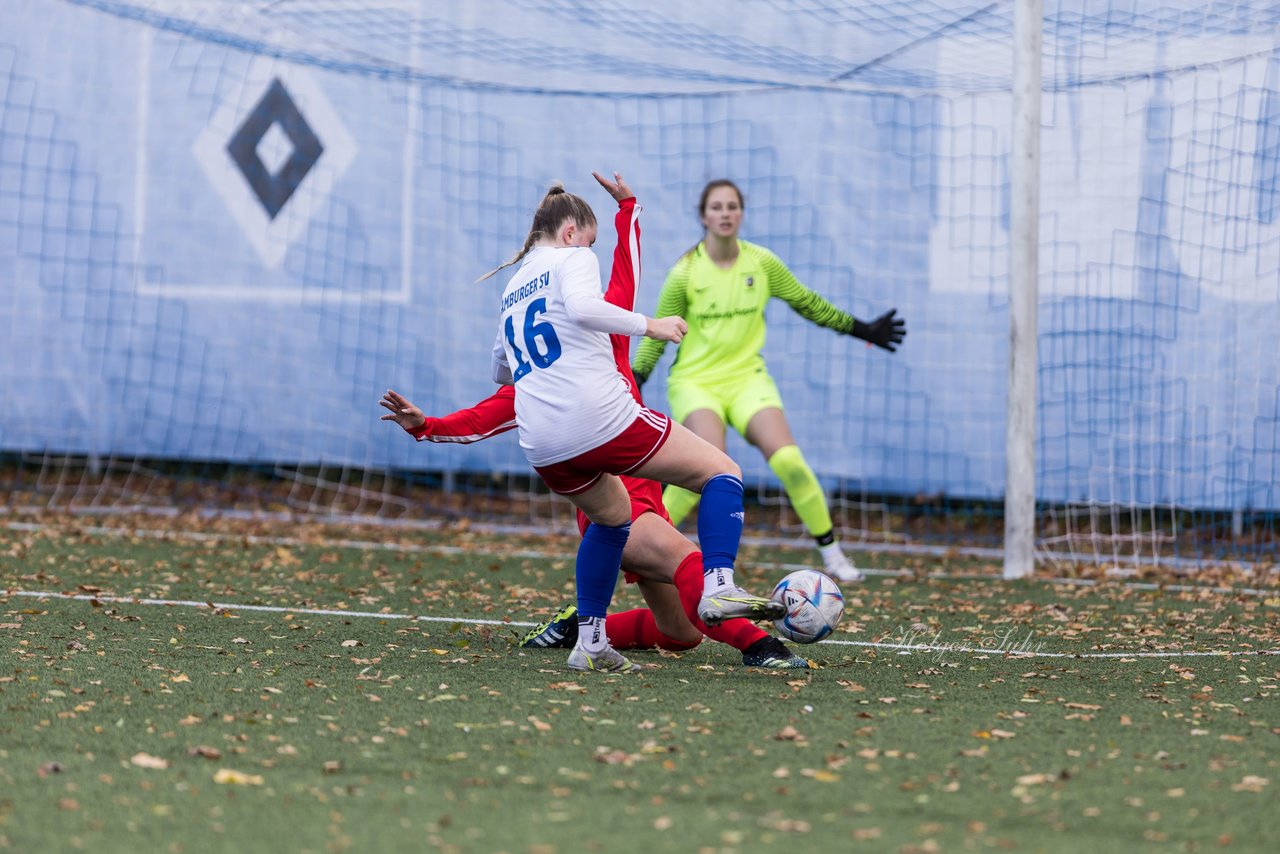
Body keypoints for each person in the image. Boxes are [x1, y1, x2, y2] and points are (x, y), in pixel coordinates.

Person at [380, 177, 808, 669]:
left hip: (574, 459)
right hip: (613, 453)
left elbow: (618, 278)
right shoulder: (581, 313)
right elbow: (508, 395)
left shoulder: (562, 312)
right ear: (570, 237)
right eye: (588, 243)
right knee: (707, 510)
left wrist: (629, 208)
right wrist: (652, 318)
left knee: (680, 633)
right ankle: (758, 642)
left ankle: (582, 632)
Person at [631, 179, 906, 584]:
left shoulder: (762, 264)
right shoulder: (685, 273)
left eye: (732, 206)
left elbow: (807, 302)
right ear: (703, 215)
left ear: (741, 214)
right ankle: (647, 550)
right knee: (708, 469)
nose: (725, 213)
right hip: (696, 383)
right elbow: (657, 336)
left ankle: (832, 555)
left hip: (747, 380)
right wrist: (635, 379)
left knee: (790, 462)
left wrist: (863, 330)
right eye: (717, 207)